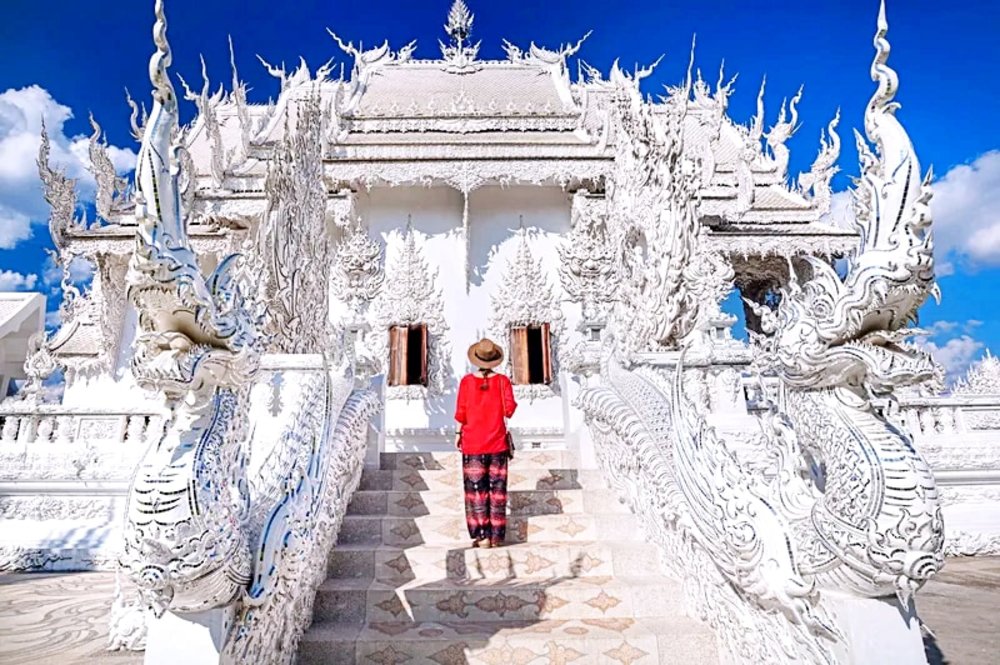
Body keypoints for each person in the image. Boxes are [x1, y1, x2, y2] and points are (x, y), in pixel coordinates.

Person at [454, 338, 517, 549]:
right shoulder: (503, 382)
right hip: (497, 443)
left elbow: (461, 413)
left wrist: (457, 433)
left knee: (475, 491)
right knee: (497, 491)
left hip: (472, 443)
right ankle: (496, 536)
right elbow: (510, 409)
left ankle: (482, 536)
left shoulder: (466, 382)